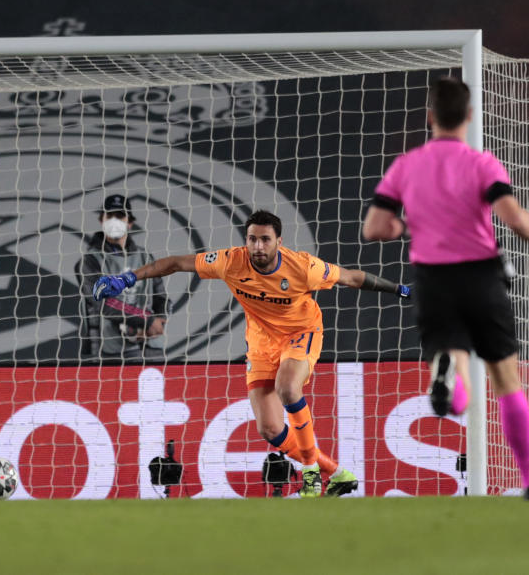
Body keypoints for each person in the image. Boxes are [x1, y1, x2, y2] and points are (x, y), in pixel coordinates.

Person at [94, 209, 409, 497]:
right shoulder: (231, 261)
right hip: (260, 343)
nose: (258, 246)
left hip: (301, 334)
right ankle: (338, 475)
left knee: (288, 388)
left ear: (278, 241)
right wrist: (129, 277)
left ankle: (311, 471)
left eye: (265, 240)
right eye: (252, 239)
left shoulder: (303, 267)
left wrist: (397, 289)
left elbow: (352, 277)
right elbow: (177, 263)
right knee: (270, 429)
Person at [364, 76, 529, 497]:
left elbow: (374, 227)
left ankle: (448, 377)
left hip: (433, 280)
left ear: (430, 117)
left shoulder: (406, 164)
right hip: (479, 277)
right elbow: (512, 216)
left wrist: (403, 225)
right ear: (470, 117)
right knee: (506, 379)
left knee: (452, 358)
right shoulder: (482, 163)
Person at [78, 195, 168, 361]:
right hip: (108, 351)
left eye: (119, 216)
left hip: (150, 348)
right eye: (109, 216)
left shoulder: (145, 257)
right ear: (101, 220)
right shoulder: (90, 260)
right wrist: (147, 320)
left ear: (129, 222)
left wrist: (158, 323)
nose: (114, 221)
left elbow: (161, 296)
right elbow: (103, 302)